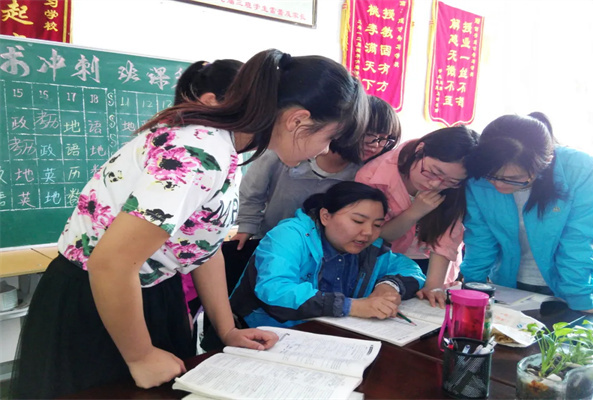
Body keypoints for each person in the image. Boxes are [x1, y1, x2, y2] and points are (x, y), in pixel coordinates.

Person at [10, 49, 368, 399]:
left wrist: (227, 330)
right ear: (298, 120)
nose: (325, 150)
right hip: (105, 301)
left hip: (146, 294)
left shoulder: (225, 147)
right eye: (329, 137)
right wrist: (140, 355)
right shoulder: (199, 154)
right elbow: (112, 263)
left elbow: (203, 247)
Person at [229, 181, 426, 329]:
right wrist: (352, 306)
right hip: (266, 333)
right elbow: (275, 291)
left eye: (377, 225)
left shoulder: (370, 247)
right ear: (325, 216)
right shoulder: (289, 235)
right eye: (358, 221)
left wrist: (389, 286)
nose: (368, 232)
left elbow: (410, 269)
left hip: (331, 334)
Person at [461, 113, 593, 313]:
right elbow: (480, 236)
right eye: (491, 176)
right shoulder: (479, 172)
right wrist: (473, 286)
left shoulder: (580, 170)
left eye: (513, 178)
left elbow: (579, 240)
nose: (498, 185)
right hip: (508, 283)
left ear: (546, 162)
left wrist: (578, 296)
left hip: (570, 285)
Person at [231, 95, 400, 253]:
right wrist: (246, 228)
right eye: (370, 135)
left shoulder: (364, 175)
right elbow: (252, 193)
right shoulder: (285, 150)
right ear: (344, 128)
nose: (376, 145)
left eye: (385, 139)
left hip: (322, 253)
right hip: (269, 242)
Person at [355, 126, 479, 308]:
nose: (435, 184)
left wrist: (434, 286)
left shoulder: (458, 188)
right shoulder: (373, 176)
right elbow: (376, 234)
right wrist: (415, 212)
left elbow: (446, 238)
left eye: (451, 181)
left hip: (435, 266)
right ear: (420, 150)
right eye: (433, 172)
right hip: (388, 263)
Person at [172, 59, 244, 326]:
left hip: (185, 281)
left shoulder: (225, 153)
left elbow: (208, 242)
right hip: (159, 284)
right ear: (212, 102)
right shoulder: (190, 156)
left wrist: (227, 330)